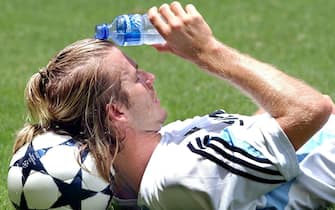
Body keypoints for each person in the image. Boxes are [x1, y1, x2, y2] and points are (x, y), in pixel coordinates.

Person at [8, 1, 334, 210]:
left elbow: (264, 128)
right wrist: (208, 52)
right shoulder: (180, 179)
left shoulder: (157, 153)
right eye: (135, 76)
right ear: (117, 112)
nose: (149, 77)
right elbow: (312, 109)